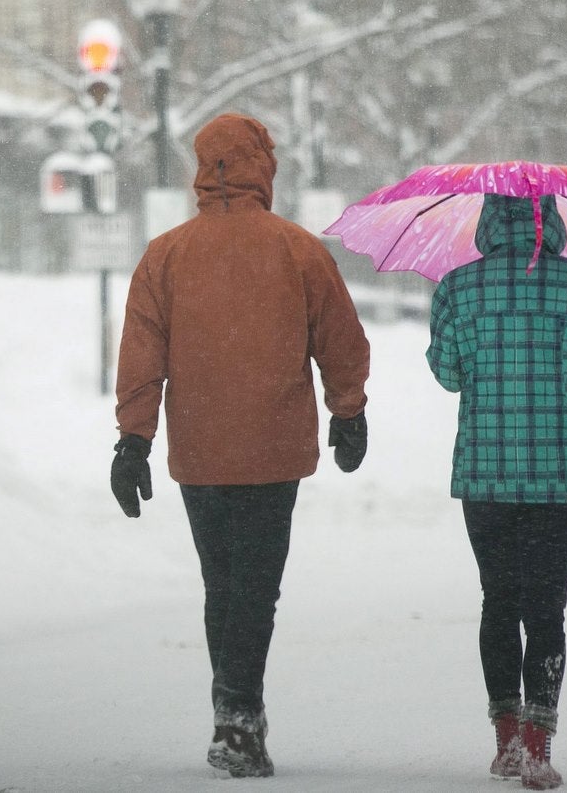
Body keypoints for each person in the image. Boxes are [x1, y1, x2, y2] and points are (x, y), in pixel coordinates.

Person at [110, 112, 371, 779]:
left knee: (221, 585)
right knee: (255, 588)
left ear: (203, 168)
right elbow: (340, 339)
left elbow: (141, 355)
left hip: (199, 448)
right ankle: (239, 719)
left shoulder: (167, 254)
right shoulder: (297, 250)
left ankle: (234, 716)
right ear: (263, 166)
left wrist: (133, 441)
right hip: (273, 448)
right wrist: (348, 411)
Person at [427, 193, 567, 791]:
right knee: (545, 608)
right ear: (552, 220)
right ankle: (539, 750)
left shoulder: (457, 286)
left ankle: (507, 743)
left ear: (488, 221)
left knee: (498, 601)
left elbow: (447, 373)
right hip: (556, 476)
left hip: (485, 474)